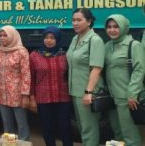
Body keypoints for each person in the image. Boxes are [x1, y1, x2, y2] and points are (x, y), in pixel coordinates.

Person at [66, 8, 105, 146]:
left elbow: (97, 67)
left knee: (89, 128)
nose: (75, 23)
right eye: (73, 20)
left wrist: (88, 92)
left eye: (79, 20)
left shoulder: (95, 40)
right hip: (75, 91)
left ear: (89, 22)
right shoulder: (75, 38)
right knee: (82, 127)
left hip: (87, 91)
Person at [104, 14, 144, 145]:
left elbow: (139, 70)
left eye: (116, 26)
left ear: (124, 27)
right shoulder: (108, 46)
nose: (112, 30)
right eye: (109, 27)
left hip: (127, 98)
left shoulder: (134, 45)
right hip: (112, 97)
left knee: (130, 134)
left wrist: (132, 94)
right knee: (117, 133)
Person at [29, 26, 72, 146]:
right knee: (47, 129)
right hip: (43, 99)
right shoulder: (34, 56)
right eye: (46, 37)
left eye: (52, 38)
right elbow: (31, 78)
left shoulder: (65, 55)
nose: (49, 40)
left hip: (62, 97)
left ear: (57, 39)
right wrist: (32, 98)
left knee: (65, 128)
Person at [0, 25, 31, 141]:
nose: (2, 38)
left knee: (21, 124)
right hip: (2, 93)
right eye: (0, 35)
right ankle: (10, 143)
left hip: (17, 94)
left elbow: (26, 74)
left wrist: (25, 95)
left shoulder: (21, 51)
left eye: (5, 35)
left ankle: (23, 142)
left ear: (12, 36)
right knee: (7, 124)